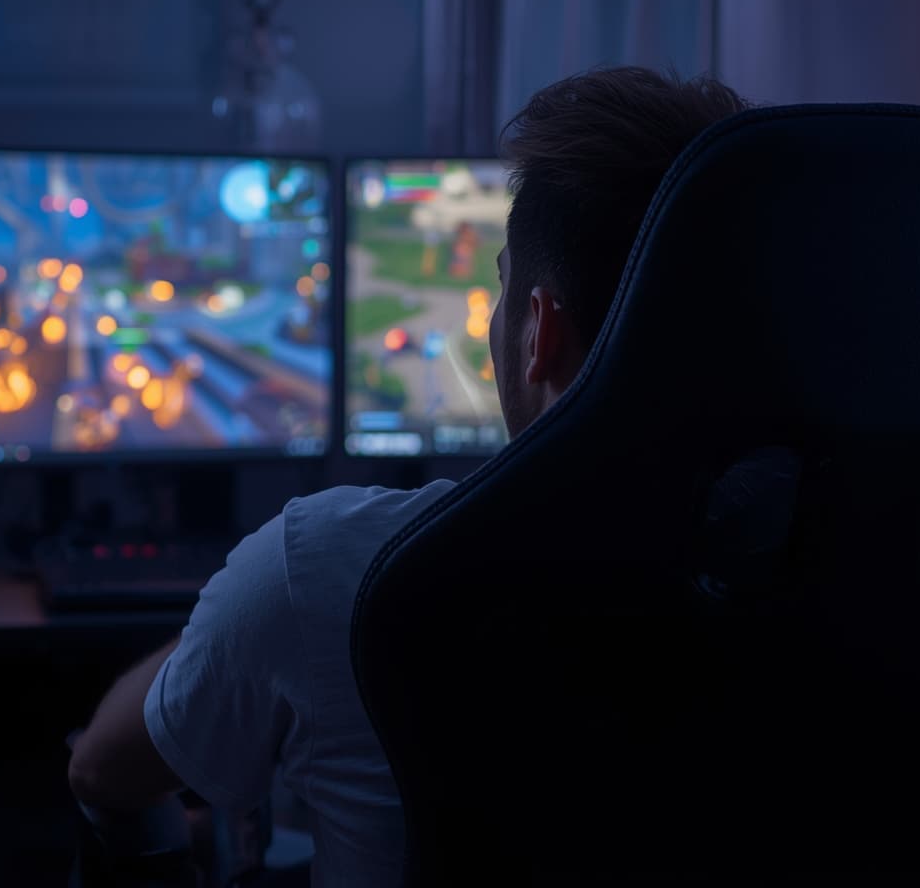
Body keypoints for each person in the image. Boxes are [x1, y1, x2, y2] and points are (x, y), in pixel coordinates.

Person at [67, 67, 751, 885]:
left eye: (501, 286)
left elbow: (101, 771)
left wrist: (233, 621)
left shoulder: (326, 565)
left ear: (539, 332)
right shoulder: (832, 573)